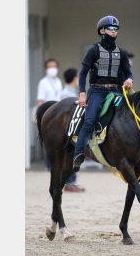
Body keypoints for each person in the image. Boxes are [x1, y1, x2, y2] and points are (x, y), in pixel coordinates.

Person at [73, 15, 134, 171]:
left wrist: (129, 80)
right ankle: (78, 153)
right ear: (102, 31)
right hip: (97, 90)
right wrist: (82, 93)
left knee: (133, 115)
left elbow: (128, 72)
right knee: (89, 120)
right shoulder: (93, 50)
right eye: (111, 29)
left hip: (115, 90)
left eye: (116, 30)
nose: (114, 32)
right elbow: (83, 73)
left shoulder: (121, 52)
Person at [60, 68, 85, 192]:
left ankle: (72, 182)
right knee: (70, 154)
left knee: (73, 154)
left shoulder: (71, 92)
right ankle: (69, 183)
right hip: (69, 128)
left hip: (73, 127)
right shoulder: (67, 94)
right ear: (75, 78)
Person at [36, 58, 63, 170]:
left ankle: (58, 164)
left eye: (54, 66)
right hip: (47, 113)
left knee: (59, 139)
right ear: (46, 69)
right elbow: (40, 100)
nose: (52, 69)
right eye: (50, 67)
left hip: (59, 113)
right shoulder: (43, 82)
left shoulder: (58, 81)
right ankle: (49, 165)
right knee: (49, 139)